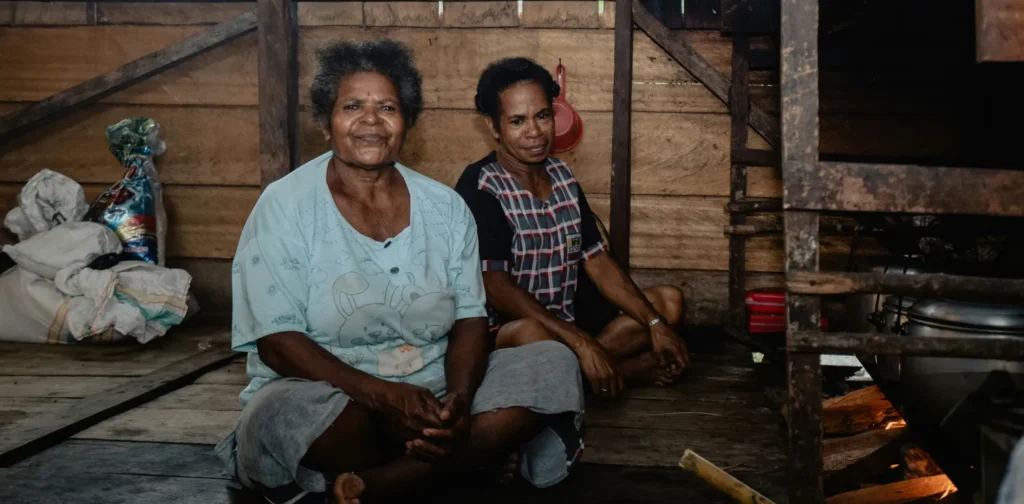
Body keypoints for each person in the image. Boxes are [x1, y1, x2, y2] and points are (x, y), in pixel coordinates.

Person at [214, 40, 585, 504]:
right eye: (352, 106)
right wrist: (382, 397)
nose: (371, 120)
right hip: (333, 397)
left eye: (387, 107)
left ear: (406, 122)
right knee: (279, 414)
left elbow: (471, 318)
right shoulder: (284, 206)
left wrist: (461, 402)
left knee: (552, 362)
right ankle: (465, 459)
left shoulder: (445, 207)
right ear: (327, 124)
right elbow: (276, 342)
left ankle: (388, 481)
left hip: (436, 394)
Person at [454, 57, 690, 400]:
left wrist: (656, 326)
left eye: (542, 116)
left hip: (567, 325)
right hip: (510, 333)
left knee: (668, 302)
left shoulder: (562, 177)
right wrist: (580, 343)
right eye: (517, 121)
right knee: (532, 336)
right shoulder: (481, 186)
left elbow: (597, 262)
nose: (534, 132)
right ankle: (619, 371)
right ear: (493, 126)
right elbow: (494, 285)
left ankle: (588, 371)